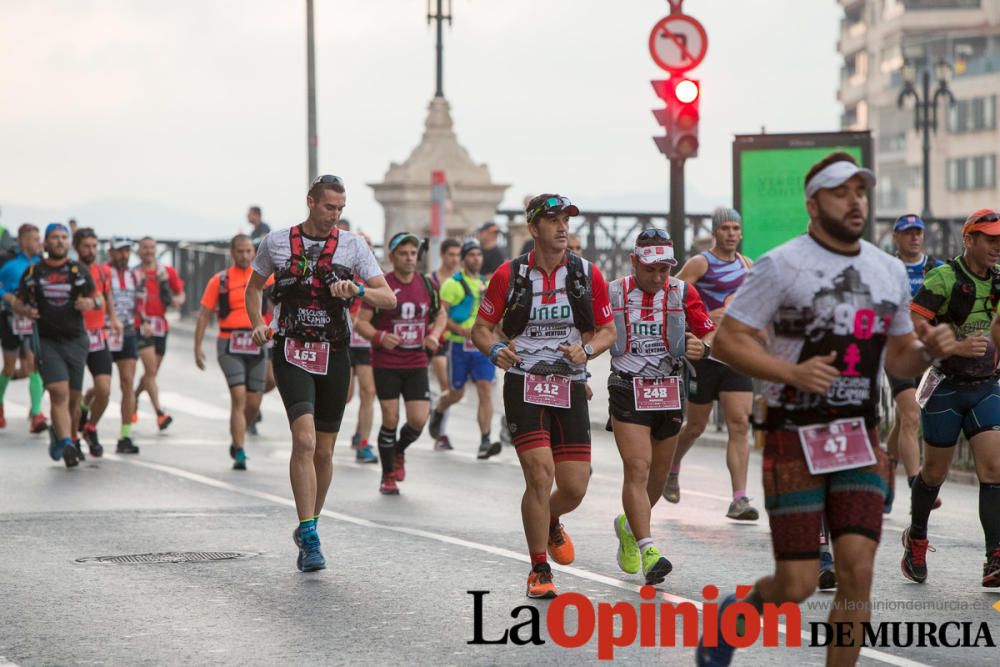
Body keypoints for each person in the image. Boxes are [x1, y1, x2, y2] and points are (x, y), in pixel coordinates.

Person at [696, 152, 955, 666]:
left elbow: (899, 351)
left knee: (857, 571)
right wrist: (791, 373)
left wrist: (930, 350)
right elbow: (727, 340)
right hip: (794, 433)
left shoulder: (884, 270)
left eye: (860, 191)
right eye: (841, 192)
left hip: (858, 439)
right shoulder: (782, 263)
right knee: (797, 582)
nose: (855, 201)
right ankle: (735, 615)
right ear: (814, 204)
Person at [246, 174, 395, 573]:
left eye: (341, 209)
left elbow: (388, 296)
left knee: (326, 451)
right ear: (311, 202)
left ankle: (310, 520)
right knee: (305, 438)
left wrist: (358, 291)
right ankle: (309, 534)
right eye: (329, 207)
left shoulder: (353, 246)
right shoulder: (277, 242)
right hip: (291, 349)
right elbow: (253, 286)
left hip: (334, 353)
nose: (335, 216)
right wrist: (257, 322)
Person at [473, 193, 616, 599]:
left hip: (569, 383)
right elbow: (481, 328)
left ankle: (551, 517)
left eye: (566, 220)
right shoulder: (509, 274)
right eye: (552, 220)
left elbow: (608, 331)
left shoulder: (588, 274)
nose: (562, 227)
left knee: (573, 486)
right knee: (539, 473)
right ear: (534, 228)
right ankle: (539, 568)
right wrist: (495, 350)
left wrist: (586, 351)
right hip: (524, 382)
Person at [608, 229, 715, 585]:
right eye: (650, 269)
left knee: (656, 477)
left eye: (664, 270)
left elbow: (707, 330)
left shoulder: (683, 292)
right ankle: (648, 548)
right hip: (626, 386)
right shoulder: (612, 292)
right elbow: (590, 332)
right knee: (637, 467)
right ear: (634, 261)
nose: (657, 277)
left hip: (669, 389)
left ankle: (628, 525)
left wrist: (703, 346)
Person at [905, 208, 1000, 588]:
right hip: (945, 387)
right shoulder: (944, 278)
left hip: (986, 387)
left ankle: (994, 557)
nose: (996, 247)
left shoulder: (999, 281)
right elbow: (914, 322)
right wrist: (956, 346)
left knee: (993, 471)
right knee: (934, 473)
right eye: (990, 239)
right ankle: (916, 537)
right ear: (970, 240)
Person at [668, 207, 759, 522]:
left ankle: (739, 499)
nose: (731, 233)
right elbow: (670, 294)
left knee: (739, 424)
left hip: (734, 355)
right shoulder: (700, 263)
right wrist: (703, 318)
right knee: (695, 427)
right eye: (725, 228)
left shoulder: (747, 266)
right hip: (703, 356)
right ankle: (672, 468)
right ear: (715, 232)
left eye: (736, 228)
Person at [356, 232, 446, 494]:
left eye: (413, 253)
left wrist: (433, 335)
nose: (410, 258)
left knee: (419, 420)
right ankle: (387, 476)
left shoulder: (427, 285)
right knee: (391, 418)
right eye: (404, 253)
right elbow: (360, 322)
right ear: (393, 256)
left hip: (417, 360)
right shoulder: (382, 285)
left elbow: (441, 314)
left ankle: (398, 451)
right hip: (387, 361)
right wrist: (379, 336)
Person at [12, 223, 97, 467]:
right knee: (58, 391)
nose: (60, 242)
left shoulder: (77, 270)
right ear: (45, 243)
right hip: (47, 340)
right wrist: (26, 311)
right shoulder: (33, 272)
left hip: (76, 340)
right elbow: (18, 302)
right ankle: (67, 442)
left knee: (74, 397)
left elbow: (97, 297)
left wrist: (90, 304)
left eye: (63, 237)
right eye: (54, 238)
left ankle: (62, 436)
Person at [195, 234, 271, 471]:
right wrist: (197, 347)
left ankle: (240, 432)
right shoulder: (220, 280)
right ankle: (239, 449)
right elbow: (204, 314)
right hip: (230, 343)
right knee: (238, 396)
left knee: (253, 401)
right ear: (232, 252)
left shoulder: (264, 279)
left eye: (249, 251)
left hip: (257, 342)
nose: (245, 256)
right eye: (240, 251)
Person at [885, 214, 943, 513]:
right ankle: (916, 485)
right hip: (896, 350)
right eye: (908, 233)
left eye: (918, 232)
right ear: (896, 237)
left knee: (907, 417)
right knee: (909, 414)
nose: (914, 237)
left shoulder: (937, 269)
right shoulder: (886, 268)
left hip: (928, 354)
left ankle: (886, 463)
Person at [429, 241, 501, 459]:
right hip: (458, 345)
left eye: (479, 254)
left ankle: (485, 440)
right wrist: (460, 330)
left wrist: (499, 337)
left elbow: (496, 315)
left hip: (482, 346)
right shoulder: (453, 284)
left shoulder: (486, 284)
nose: (476, 258)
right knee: (456, 393)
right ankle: (440, 409)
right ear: (464, 258)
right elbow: (440, 316)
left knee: (484, 389)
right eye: (471, 254)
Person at [73, 228, 118, 457]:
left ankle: (90, 427)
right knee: (72, 393)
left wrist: (114, 319)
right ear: (76, 248)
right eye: (86, 246)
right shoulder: (70, 272)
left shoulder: (103, 272)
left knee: (104, 389)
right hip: (73, 337)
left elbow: (107, 295)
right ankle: (72, 438)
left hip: (98, 336)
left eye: (93, 246)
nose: (91, 250)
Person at [133, 237, 185, 430]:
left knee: (151, 373)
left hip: (160, 326)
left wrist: (178, 300)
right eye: (144, 248)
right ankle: (159, 413)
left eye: (152, 248)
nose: (148, 251)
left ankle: (134, 397)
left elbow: (180, 292)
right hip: (141, 324)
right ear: (138, 251)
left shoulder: (166, 272)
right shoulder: (134, 274)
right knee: (151, 371)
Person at [0, 224, 46, 432]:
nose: (39, 243)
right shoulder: (7, 260)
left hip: (31, 320)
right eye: (35, 239)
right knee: (9, 367)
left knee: (32, 364)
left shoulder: (41, 263)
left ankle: (36, 413)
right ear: (23, 241)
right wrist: (7, 297)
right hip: (9, 318)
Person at [105, 237, 143, 454]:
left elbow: (140, 301)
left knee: (127, 383)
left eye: (127, 251)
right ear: (111, 252)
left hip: (127, 332)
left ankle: (125, 435)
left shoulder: (134, 275)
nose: (124, 255)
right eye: (120, 251)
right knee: (103, 386)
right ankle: (85, 407)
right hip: (105, 332)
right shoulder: (103, 272)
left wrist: (144, 322)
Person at [426, 238, 461, 450]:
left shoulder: (462, 281)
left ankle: (437, 418)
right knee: (444, 384)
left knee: (450, 388)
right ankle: (441, 433)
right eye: (451, 255)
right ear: (443, 255)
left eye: (458, 255)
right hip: (435, 338)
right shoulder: (431, 280)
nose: (455, 259)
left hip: (455, 340)